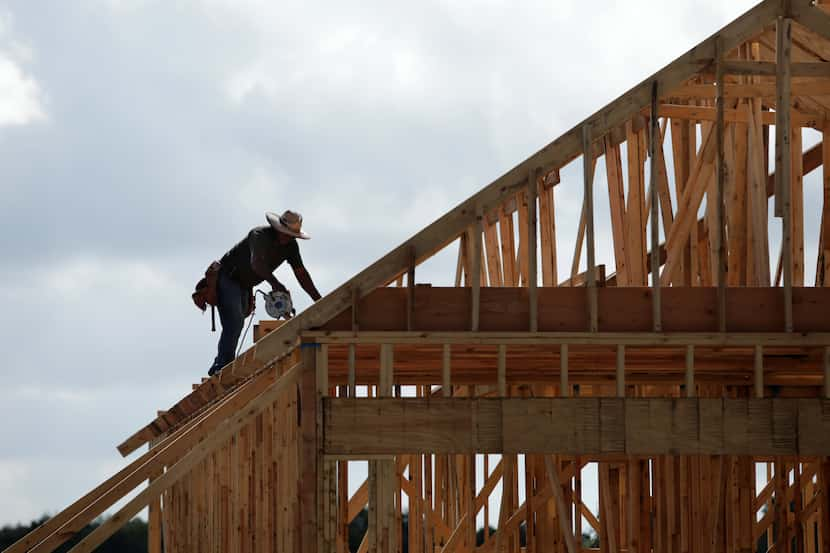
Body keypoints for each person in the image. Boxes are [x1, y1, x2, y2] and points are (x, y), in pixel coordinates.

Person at [207, 210, 322, 376]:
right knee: (235, 322)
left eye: (292, 236)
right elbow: (257, 263)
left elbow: (301, 273)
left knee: (236, 322)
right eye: (286, 234)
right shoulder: (259, 235)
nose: (288, 238)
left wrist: (318, 300)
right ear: (278, 229)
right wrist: (276, 284)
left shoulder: (290, 246)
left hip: (245, 285)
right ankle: (222, 369)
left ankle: (222, 366)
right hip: (228, 278)